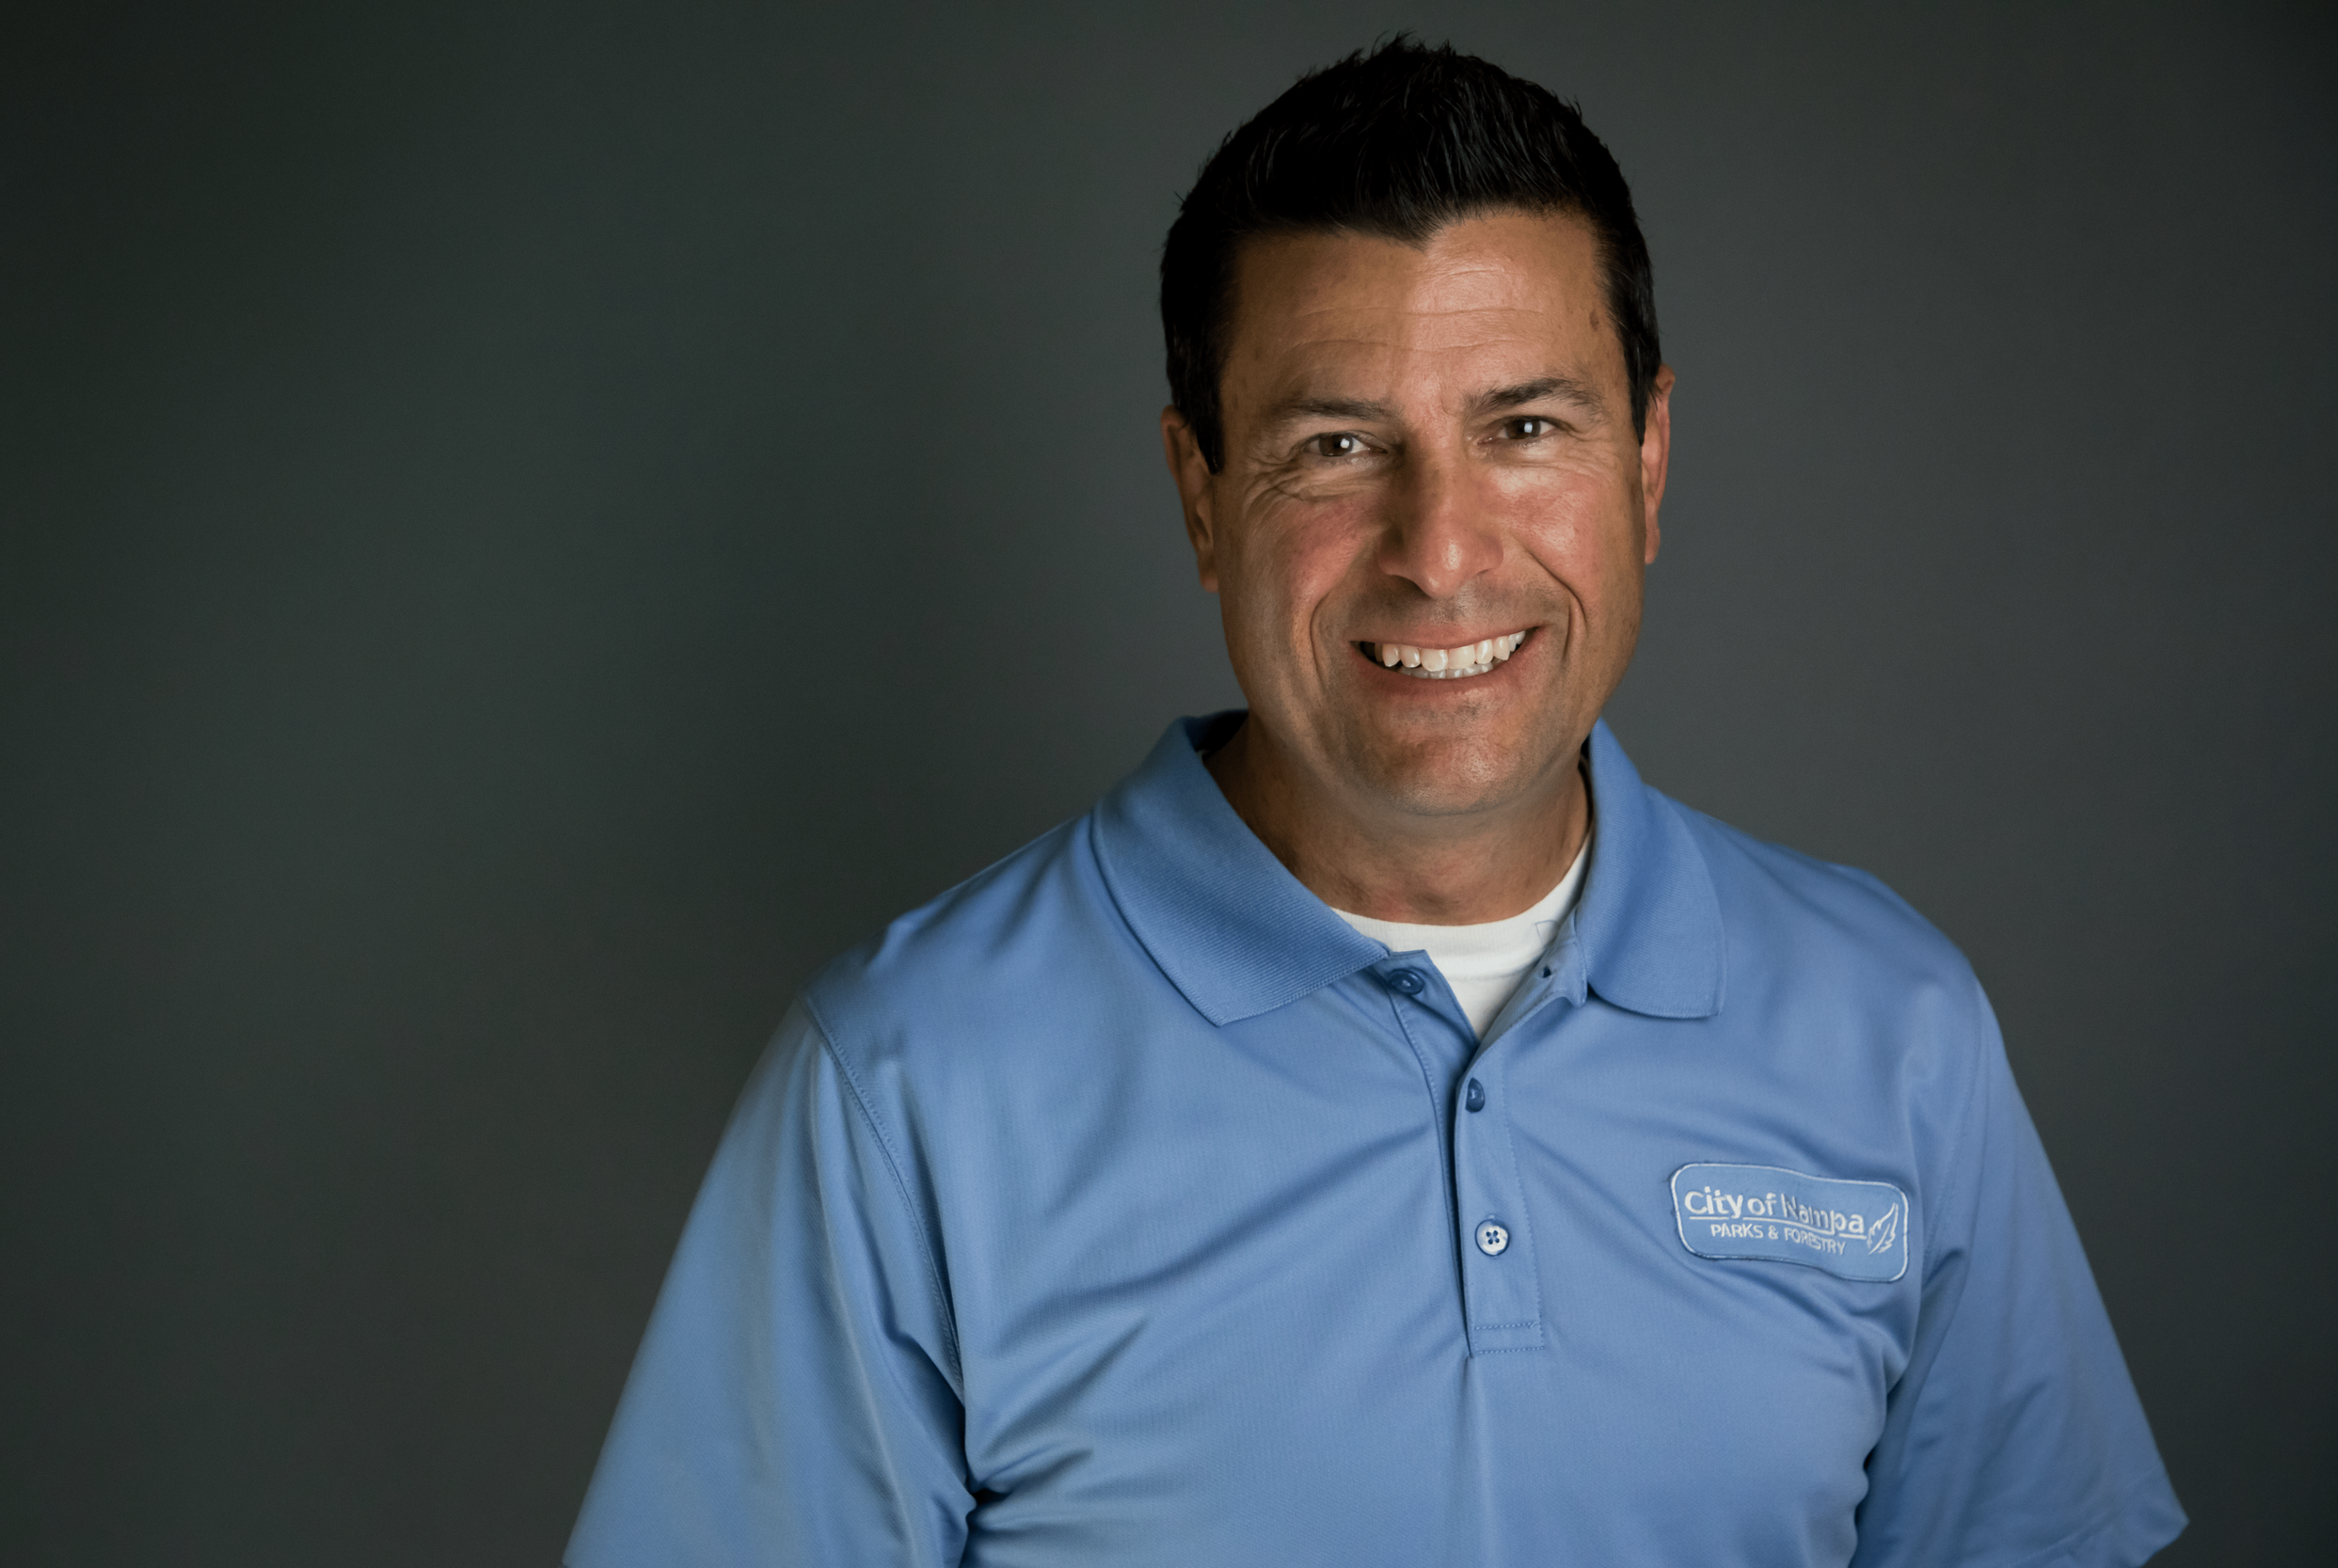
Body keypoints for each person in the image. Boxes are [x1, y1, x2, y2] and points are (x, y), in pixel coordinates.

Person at [567, 40, 2184, 1567]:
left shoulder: (1894, 1029)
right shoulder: (904, 1086)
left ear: (1650, 463)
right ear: (1204, 499)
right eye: (1338, 446)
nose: (1444, 549)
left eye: (1527, 427)